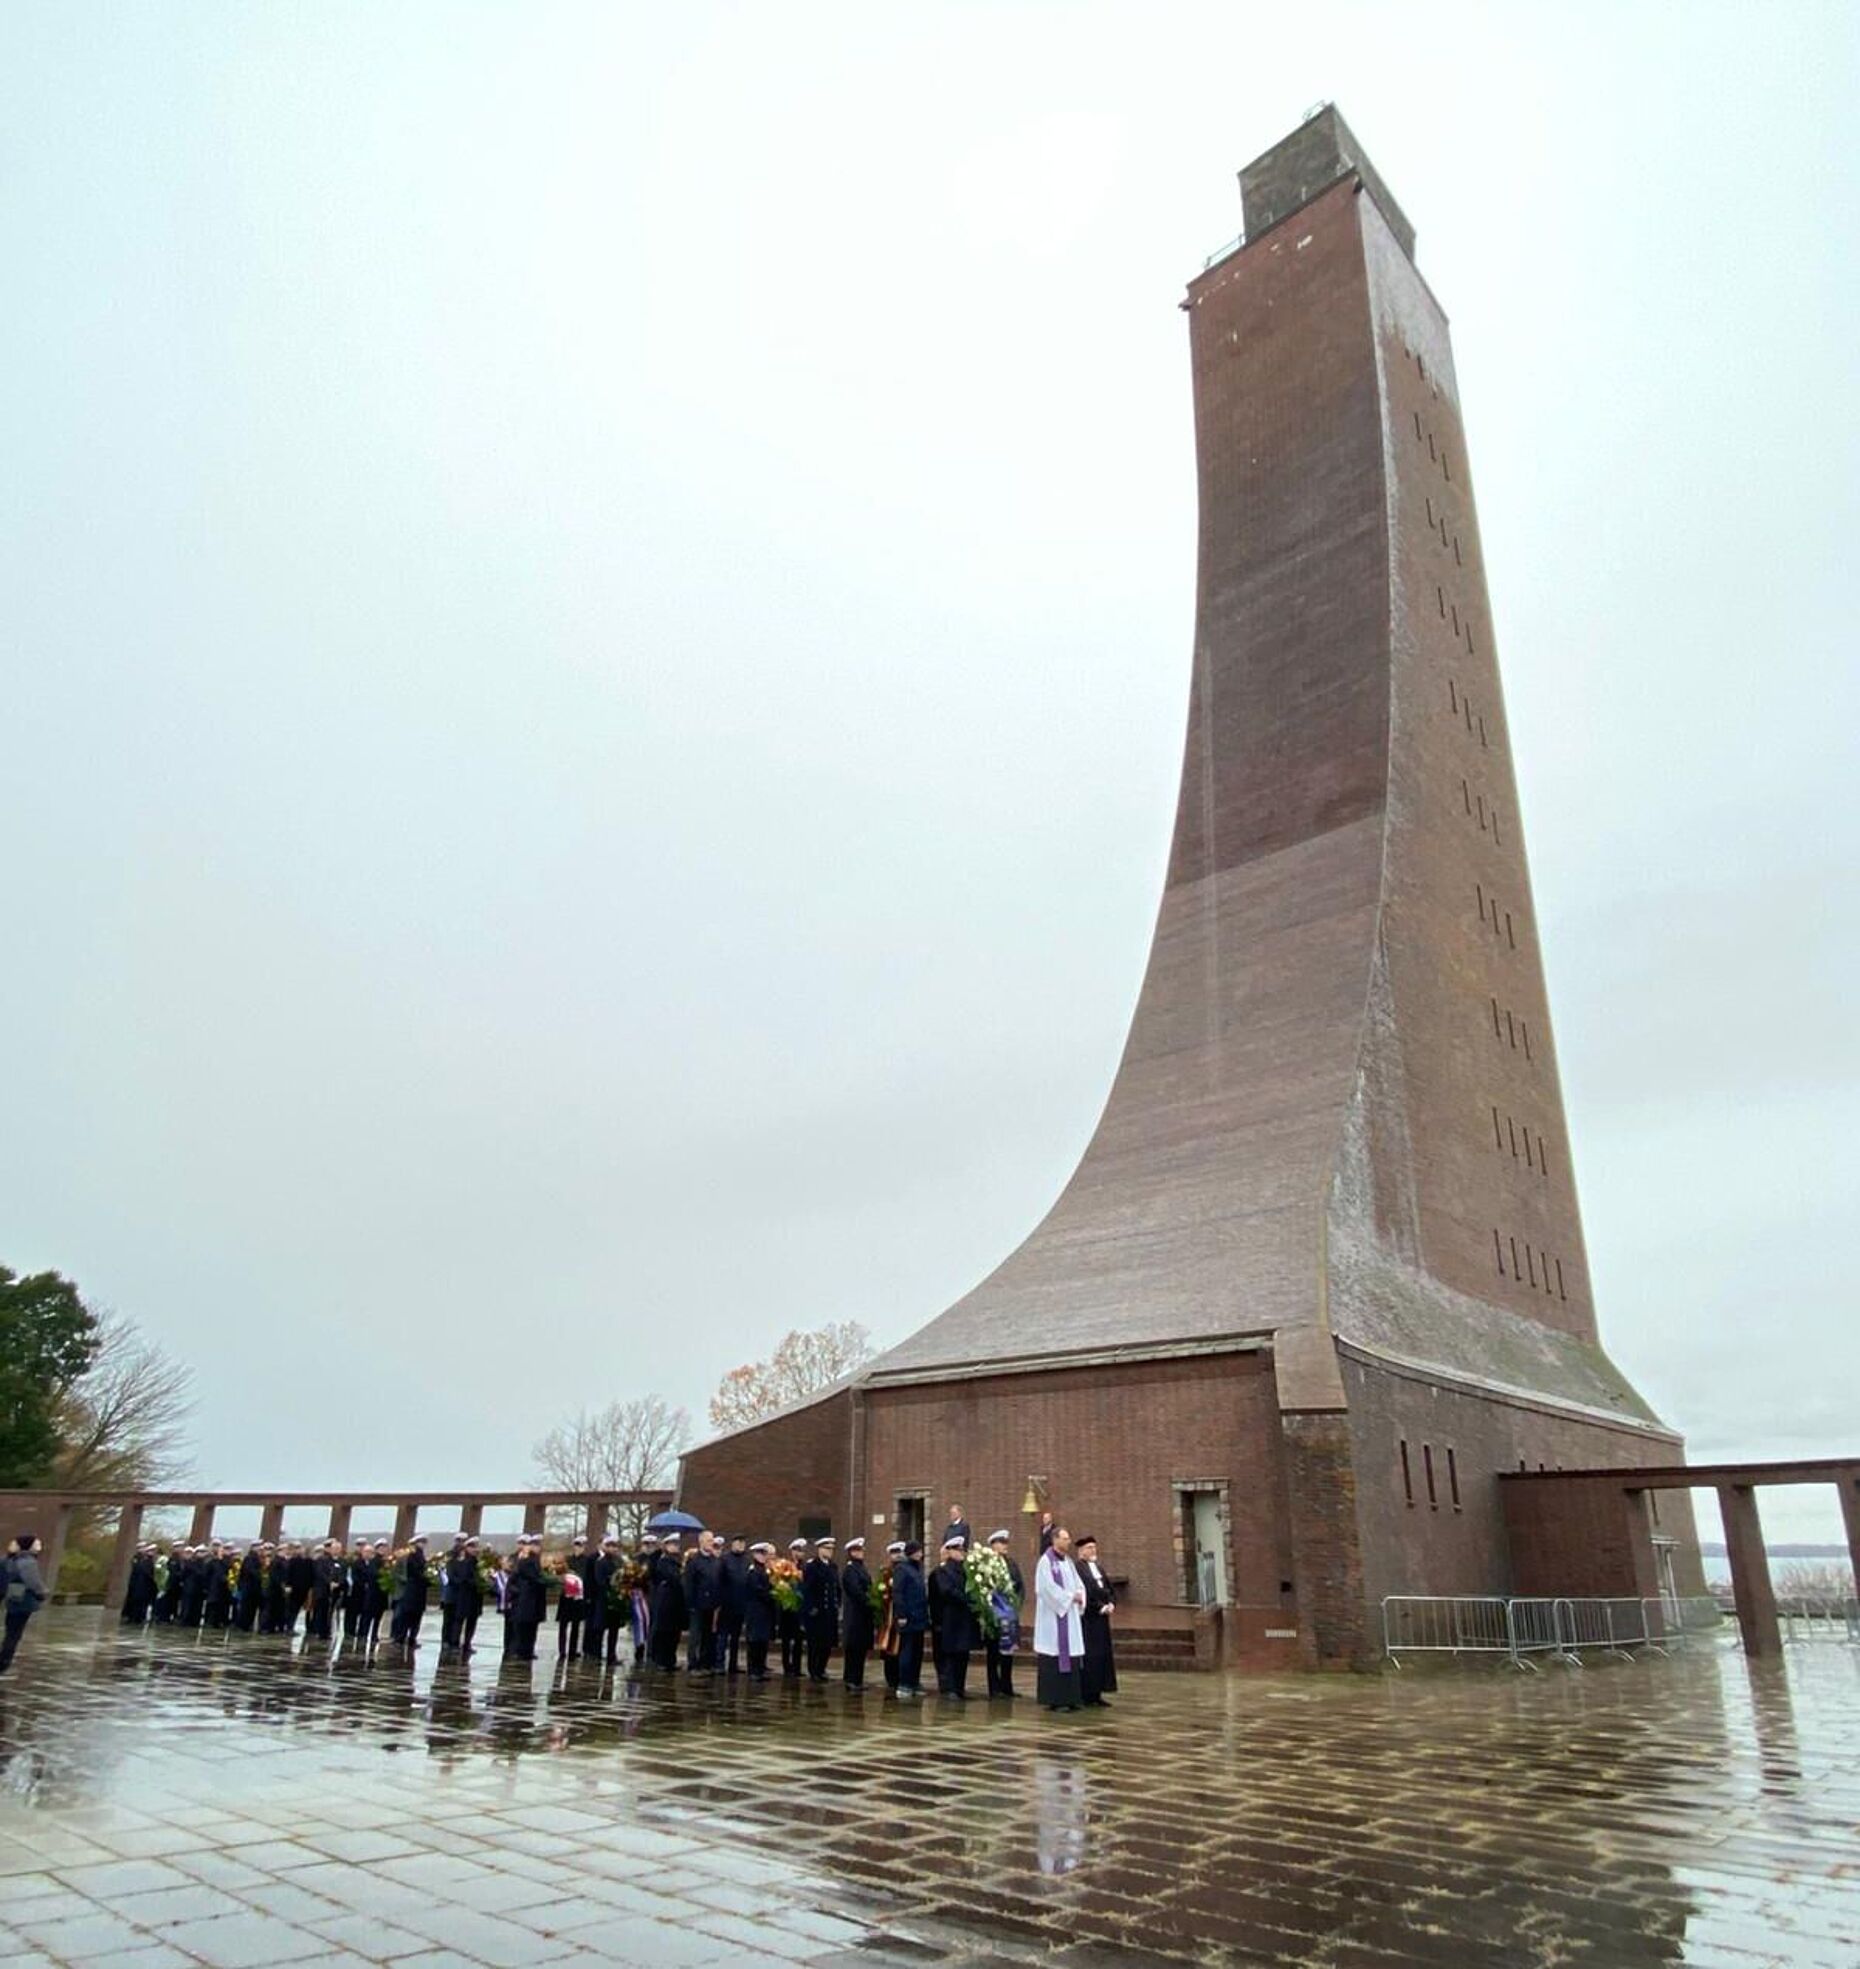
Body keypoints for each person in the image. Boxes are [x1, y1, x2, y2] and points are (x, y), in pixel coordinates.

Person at [1034, 1526, 1086, 1712]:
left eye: (1068, 1538)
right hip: (1053, 1619)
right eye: (1065, 1538)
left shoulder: (1069, 1562)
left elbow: (1078, 1584)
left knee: (1070, 1655)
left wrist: (1080, 1595)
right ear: (1055, 1540)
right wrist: (1069, 1597)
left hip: (1069, 1617)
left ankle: (1071, 1698)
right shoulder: (1046, 1562)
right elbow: (1046, 1588)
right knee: (1055, 1655)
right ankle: (1056, 1699)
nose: (1068, 1542)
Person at [1076, 1536, 1118, 1707]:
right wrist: (1099, 1607)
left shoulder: (1098, 1567)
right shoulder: (1079, 1569)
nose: (1093, 1550)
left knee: (1102, 1656)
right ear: (1081, 1551)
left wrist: (1112, 1603)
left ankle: (1098, 1693)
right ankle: (1087, 1694)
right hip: (1089, 1620)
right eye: (1089, 1547)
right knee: (1091, 1657)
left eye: (1094, 1547)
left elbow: (1108, 1588)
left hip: (1102, 1621)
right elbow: (1086, 1592)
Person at [932, 1536, 975, 1699]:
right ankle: (950, 1688)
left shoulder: (965, 1570)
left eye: (962, 1549)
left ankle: (959, 1688)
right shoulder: (943, 1571)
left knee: (962, 1655)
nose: (961, 1553)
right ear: (949, 1552)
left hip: (964, 1618)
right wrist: (966, 1599)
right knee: (951, 1654)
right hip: (950, 1617)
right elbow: (947, 1591)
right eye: (958, 1550)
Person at [984, 1528, 1025, 1699]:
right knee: (993, 1653)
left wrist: (1017, 1605)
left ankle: (1007, 1687)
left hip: (1010, 1614)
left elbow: (1020, 1585)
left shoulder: (1011, 1563)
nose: (1005, 1546)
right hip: (994, 1615)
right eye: (1001, 1543)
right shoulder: (986, 1564)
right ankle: (994, 1688)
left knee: (1008, 1652)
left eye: (1006, 1543)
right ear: (993, 1545)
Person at [0, 1534, 50, 1673]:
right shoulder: (27, 1561)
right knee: (14, 1634)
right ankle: (3, 1661)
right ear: (28, 1545)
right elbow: (33, 1582)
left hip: (12, 1598)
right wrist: (42, 1593)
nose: (39, 1546)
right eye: (37, 1544)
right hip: (23, 1600)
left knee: (11, 1630)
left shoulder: (9, 1559)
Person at [892, 1540, 929, 1698]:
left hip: (919, 1617)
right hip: (908, 1618)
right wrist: (901, 1615)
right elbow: (898, 1593)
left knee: (917, 1653)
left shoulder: (917, 1569)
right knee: (907, 1652)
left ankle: (915, 1681)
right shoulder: (902, 1568)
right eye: (918, 1551)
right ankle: (904, 1683)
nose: (921, 1554)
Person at [801, 1536, 840, 1683]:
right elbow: (807, 1589)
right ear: (820, 1549)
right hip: (817, 1611)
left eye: (831, 1549)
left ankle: (822, 1668)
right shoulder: (812, 1566)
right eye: (827, 1548)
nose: (830, 1552)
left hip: (829, 1611)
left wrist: (837, 1604)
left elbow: (836, 1588)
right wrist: (810, 1608)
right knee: (815, 1644)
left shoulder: (833, 1566)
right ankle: (813, 1670)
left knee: (827, 1643)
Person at [648, 1534, 686, 1671]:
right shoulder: (663, 1561)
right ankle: (661, 1660)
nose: (675, 1546)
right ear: (666, 1546)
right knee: (663, 1631)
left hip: (677, 1601)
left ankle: (670, 1659)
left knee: (674, 1633)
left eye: (676, 1544)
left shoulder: (678, 1560)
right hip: (665, 1600)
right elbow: (673, 1578)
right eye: (672, 1544)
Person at [684, 1531, 720, 1676]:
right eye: (708, 1541)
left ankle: (705, 1663)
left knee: (707, 1636)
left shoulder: (715, 1561)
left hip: (711, 1605)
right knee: (695, 1636)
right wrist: (691, 1604)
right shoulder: (694, 1561)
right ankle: (693, 1664)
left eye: (712, 1541)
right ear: (701, 1542)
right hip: (697, 1604)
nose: (711, 1543)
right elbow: (688, 1584)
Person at [839, 1536, 872, 1692]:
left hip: (863, 1615)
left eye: (862, 1550)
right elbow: (855, 1590)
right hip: (854, 1615)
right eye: (858, 1550)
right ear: (851, 1552)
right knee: (853, 1649)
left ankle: (857, 1679)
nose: (862, 1552)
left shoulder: (861, 1568)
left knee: (860, 1649)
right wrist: (868, 1600)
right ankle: (851, 1679)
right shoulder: (850, 1569)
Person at [716, 1534, 749, 1676]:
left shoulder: (747, 1561)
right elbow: (719, 1581)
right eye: (738, 1543)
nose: (741, 1545)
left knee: (736, 1637)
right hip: (726, 1603)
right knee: (723, 1636)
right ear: (732, 1544)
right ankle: (719, 1664)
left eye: (743, 1543)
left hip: (740, 1604)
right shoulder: (724, 1560)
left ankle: (733, 1664)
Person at [742, 1542, 776, 1681]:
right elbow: (758, 1590)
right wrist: (772, 1595)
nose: (763, 1557)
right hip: (755, 1611)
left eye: (765, 1554)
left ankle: (760, 1668)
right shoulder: (753, 1571)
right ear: (755, 1555)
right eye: (761, 1554)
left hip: (765, 1612)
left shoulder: (765, 1570)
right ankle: (753, 1670)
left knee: (763, 1641)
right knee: (755, 1641)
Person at [510, 1536, 547, 1662]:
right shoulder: (526, 1561)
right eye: (535, 1545)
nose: (537, 1548)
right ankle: (521, 1651)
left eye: (538, 1545)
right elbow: (534, 1578)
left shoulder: (536, 1561)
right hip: (526, 1599)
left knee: (533, 1626)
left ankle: (529, 1650)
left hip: (536, 1599)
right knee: (524, 1627)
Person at [877, 1541, 904, 1693]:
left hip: (899, 1615)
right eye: (894, 1553)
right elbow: (881, 1591)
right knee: (889, 1649)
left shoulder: (905, 1570)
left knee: (899, 1648)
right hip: (888, 1616)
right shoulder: (886, 1572)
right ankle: (890, 1678)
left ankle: (899, 1677)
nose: (896, 1556)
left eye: (899, 1552)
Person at [584, 1536, 618, 1662]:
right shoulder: (600, 1562)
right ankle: (596, 1653)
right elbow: (600, 1581)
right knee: (600, 1628)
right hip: (603, 1600)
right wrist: (612, 1583)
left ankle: (611, 1655)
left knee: (614, 1630)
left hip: (615, 1601)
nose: (613, 1549)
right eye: (610, 1546)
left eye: (615, 1547)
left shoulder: (617, 1562)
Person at [778, 1538, 807, 1678]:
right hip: (787, 1609)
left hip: (800, 1609)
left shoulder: (805, 1567)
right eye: (796, 1550)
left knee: (798, 1640)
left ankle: (796, 1667)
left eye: (801, 1551)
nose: (798, 1553)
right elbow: (780, 1584)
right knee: (786, 1640)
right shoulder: (784, 1566)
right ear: (791, 1551)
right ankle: (786, 1666)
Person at [398, 1535, 432, 1648]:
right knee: (409, 1615)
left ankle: (412, 1637)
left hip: (419, 1591)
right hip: (413, 1589)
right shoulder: (412, 1556)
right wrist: (427, 1578)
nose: (423, 1544)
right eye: (421, 1542)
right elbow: (416, 1572)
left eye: (424, 1542)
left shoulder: (421, 1556)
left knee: (416, 1616)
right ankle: (402, 1637)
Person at [454, 1538, 484, 1656]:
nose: (474, 1549)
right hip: (465, 1596)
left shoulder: (477, 1561)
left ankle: (467, 1643)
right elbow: (464, 1578)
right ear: (467, 1548)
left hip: (474, 1597)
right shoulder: (465, 1561)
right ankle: (455, 1643)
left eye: (475, 1547)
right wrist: (477, 1582)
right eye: (472, 1547)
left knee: (472, 1621)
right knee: (460, 1621)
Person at [555, 1547, 586, 1660]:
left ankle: (572, 1651)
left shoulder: (581, 1565)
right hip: (565, 1600)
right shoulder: (565, 1567)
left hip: (576, 1599)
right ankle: (562, 1651)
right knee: (563, 1626)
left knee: (575, 1626)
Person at [121, 1544, 158, 1626]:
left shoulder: (148, 1561)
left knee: (142, 1603)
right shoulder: (136, 1559)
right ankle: (132, 1617)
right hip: (136, 1585)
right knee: (134, 1601)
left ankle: (139, 1618)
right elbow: (139, 1570)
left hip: (145, 1586)